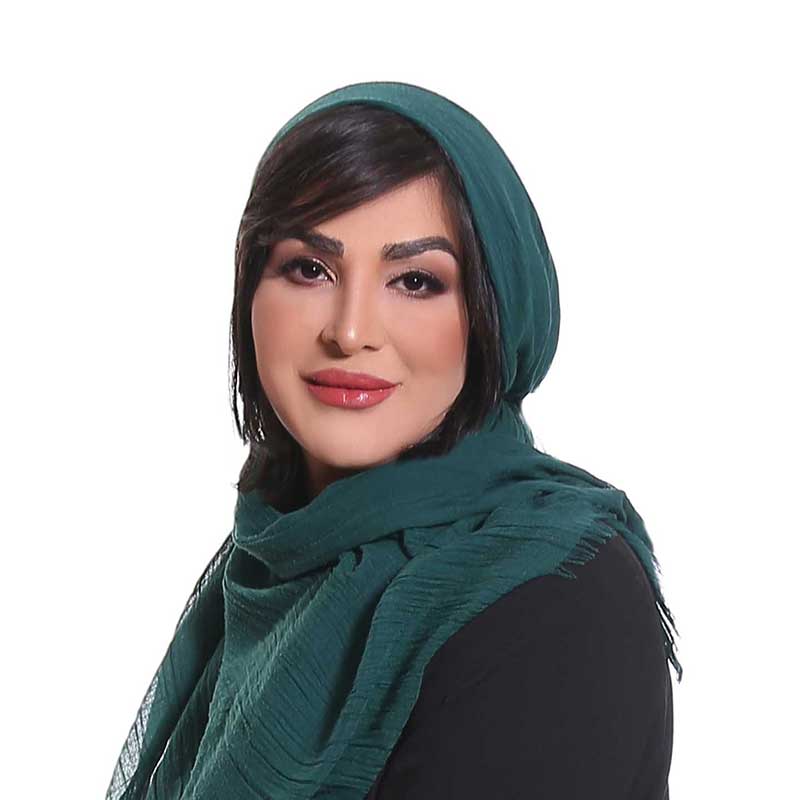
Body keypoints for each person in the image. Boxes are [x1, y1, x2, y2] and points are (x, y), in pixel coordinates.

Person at [105, 81, 683, 800]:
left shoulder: (552, 596)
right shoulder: (274, 564)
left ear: (493, 312)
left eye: (414, 281)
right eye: (309, 269)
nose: (350, 332)